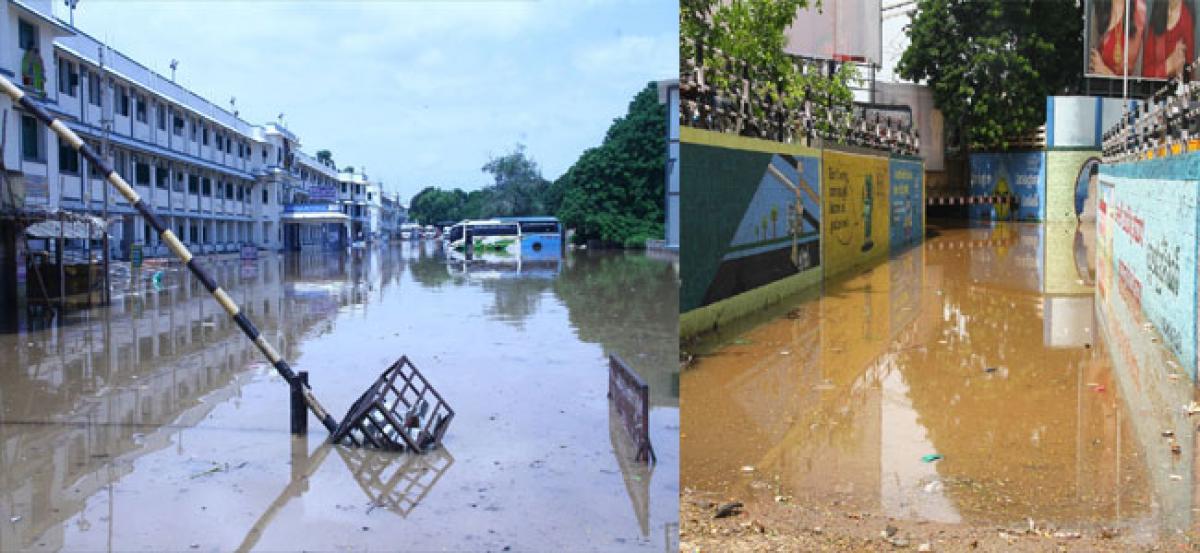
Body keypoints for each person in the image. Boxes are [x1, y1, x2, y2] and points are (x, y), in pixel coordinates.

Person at [1091, 0, 1148, 76]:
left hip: (1127, 86)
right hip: (1099, 84)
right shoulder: (1097, 9)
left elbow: (1137, 78)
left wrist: (1108, 74)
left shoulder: (1140, 14)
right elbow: (1092, 64)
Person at [1143, 0, 1195, 78]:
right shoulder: (1156, 12)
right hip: (1154, 87)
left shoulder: (1187, 19)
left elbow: (1188, 75)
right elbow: (1145, 74)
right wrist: (1168, 66)